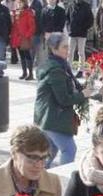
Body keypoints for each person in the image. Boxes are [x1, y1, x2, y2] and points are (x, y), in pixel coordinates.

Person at [34, 32, 92, 167]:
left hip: (48, 116)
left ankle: (38, 179)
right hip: (53, 118)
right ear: (54, 49)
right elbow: (64, 99)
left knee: (50, 152)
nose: (68, 50)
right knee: (69, 150)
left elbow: (69, 88)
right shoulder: (56, 70)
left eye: (68, 46)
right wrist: (82, 95)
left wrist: (83, 87)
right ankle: (62, 180)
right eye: (65, 47)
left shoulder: (58, 65)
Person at [11, 0, 37, 79]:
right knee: (22, 56)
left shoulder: (28, 12)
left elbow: (32, 26)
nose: (19, 4)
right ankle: (24, 72)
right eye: (17, 3)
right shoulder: (15, 13)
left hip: (25, 37)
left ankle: (30, 74)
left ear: (24, 3)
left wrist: (26, 36)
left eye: (20, 3)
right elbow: (14, 26)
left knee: (27, 55)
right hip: (18, 37)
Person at [67, 0, 93, 72]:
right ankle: (68, 69)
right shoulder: (70, 5)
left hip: (82, 33)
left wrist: (84, 27)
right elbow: (67, 18)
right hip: (72, 33)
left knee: (81, 52)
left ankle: (81, 70)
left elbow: (90, 20)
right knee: (70, 52)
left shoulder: (86, 6)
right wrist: (69, 27)